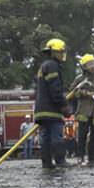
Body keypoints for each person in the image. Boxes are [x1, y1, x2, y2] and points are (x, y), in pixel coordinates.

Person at [34, 38, 72, 170]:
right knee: (56, 136)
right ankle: (60, 161)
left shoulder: (43, 66)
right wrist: (63, 104)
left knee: (45, 137)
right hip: (52, 109)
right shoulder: (53, 66)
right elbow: (55, 88)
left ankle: (46, 163)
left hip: (41, 110)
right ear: (54, 52)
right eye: (60, 52)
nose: (62, 55)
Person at [69, 54, 94, 167]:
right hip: (84, 111)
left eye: (93, 64)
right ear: (84, 67)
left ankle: (93, 157)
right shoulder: (79, 79)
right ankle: (81, 157)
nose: (92, 67)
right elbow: (71, 92)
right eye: (89, 65)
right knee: (82, 135)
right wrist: (83, 93)